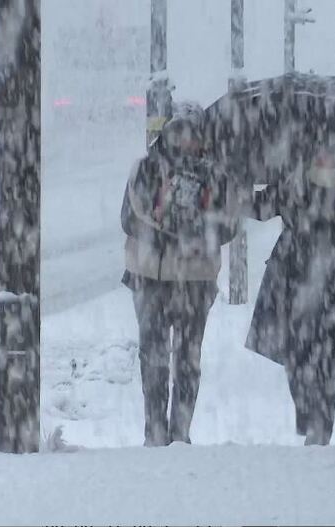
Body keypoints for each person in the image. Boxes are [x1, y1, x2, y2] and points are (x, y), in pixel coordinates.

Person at [120, 102, 238, 446]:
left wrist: (196, 229)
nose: (185, 141)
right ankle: (155, 430)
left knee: (187, 359)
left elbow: (229, 226)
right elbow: (128, 218)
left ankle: (180, 431)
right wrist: (164, 225)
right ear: (168, 133)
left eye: (192, 133)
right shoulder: (145, 170)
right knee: (153, 357)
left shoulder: (216, 175)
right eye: (179, 131)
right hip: (151, 277)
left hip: (194, 281)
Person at [245, 143, 335, 446]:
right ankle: (308, 415)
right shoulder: (294, 181)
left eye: (331, 149)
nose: (325, 155)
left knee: (327, 362)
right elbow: (260, 207)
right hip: (291, 283)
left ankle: (321, 427)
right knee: (296, 355)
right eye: (319, 148)